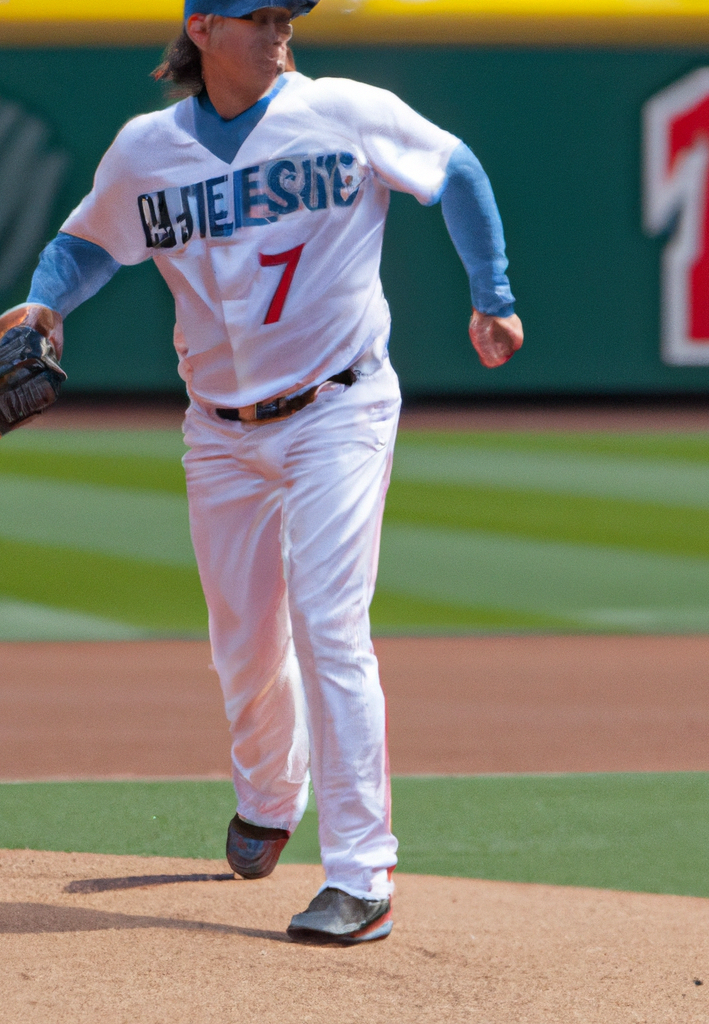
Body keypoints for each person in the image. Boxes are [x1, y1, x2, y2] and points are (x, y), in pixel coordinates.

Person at [0, 0, 522, 944]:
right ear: (202, 31)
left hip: (342, 404)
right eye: (257, 15)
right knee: (242, 639)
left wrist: (494, 294)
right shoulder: (146, 150)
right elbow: (86, 242)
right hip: (220, 426)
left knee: (330, 622)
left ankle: (362, 875)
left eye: (287, 12)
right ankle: (270, 798)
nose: (279, 27)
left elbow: (457, 170)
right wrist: (43, 303)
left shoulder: (344, 109)